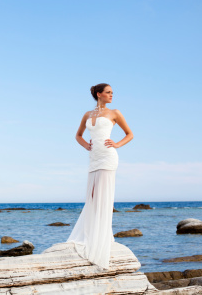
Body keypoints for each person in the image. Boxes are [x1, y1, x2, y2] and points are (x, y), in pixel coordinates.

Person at [67, 83, 133, 268]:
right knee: (92, 197)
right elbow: (78, 135)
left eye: (112, 92)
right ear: (99, 94)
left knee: (104, 197)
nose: (112, 95)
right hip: (94, 158)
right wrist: (86, 146)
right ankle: (91, 234)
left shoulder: (115, 113)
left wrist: (117, 144)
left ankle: (103, 238)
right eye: (108, 92)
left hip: (108, 157)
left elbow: (130, 134)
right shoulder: (87, 115)